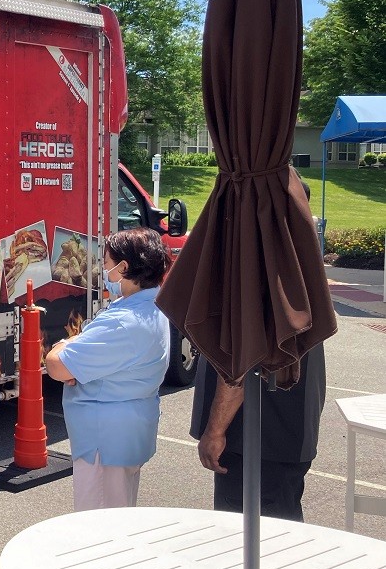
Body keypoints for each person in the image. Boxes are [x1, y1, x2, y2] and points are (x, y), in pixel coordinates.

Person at [191, 177, 326, 521]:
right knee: (280, 539)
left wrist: (214, 430)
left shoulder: (264, 274)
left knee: (254, 546)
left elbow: (242, 364)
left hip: (256, 442)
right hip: (284, 436)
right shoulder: (297, 266)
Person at [45, 228, 171, 511]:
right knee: (121, 512)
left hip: (105, 441)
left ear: (123, 268)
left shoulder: (122, 322)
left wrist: (64, 343)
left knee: (100, 525)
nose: (103, 269)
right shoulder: (152, 304)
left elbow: (56, 365)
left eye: (105, 263)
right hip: (127, 431)